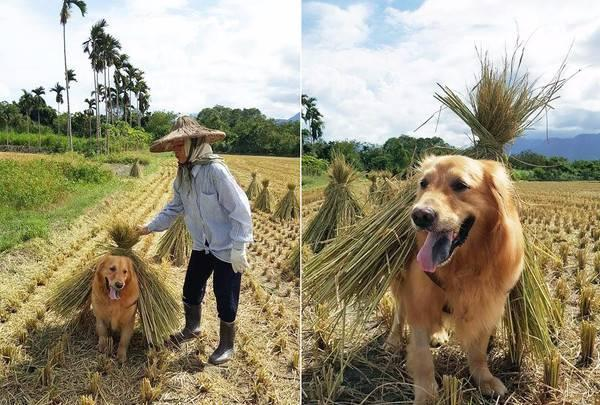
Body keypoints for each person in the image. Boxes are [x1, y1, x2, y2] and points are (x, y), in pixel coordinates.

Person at [138, 116, 252, 365]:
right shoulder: (183, 175)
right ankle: (193, 327)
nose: (175, 151)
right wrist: (148, 227)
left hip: (225, 246)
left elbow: (240, 209)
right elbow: (175, 207)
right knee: (190, 289)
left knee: (226, 296)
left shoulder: (215, 171)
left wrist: (240, 246)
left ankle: (226, 345)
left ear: (194, 143)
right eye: (175, 146)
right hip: (202, 245)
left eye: (180, 145)